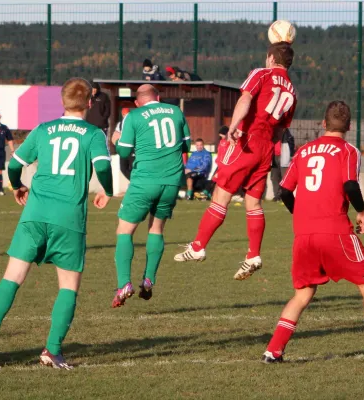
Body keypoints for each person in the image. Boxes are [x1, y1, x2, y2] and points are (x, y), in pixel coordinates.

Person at [0, 78, 114, 369]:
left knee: (12, 277)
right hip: (68, 218)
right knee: (68, 286)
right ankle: (52, 350)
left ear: (62, 102)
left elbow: (14, 165)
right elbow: (101, 166)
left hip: (35, 213)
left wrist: (17, 187)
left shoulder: (44, 129)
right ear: (89, 103)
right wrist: (107, 191)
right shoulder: (93, 133)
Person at [261, 101, 364, 368]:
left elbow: (284, 191)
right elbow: (350, 184)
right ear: (350, 126)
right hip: (335, 232)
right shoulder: (348, 150)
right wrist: (362, 212)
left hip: (304, 235)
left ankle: (273, 351)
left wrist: (300, 215)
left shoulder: (304, 151)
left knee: (303, 294)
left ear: (323, 124)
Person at [174, 42, 297, 281]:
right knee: (253, 203)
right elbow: (282, 129)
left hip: (246, 140)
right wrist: (269, 150)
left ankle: (198, 246)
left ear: (271, 59)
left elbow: (246, 99)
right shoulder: (291, 89)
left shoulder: (261, 73)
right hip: (265, 148)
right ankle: (253, 255)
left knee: (221, 195)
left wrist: (233, 127)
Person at [110, 84, 191, 307]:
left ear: (137, 102)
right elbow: (187, 146)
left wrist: (117, 139)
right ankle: (148, 279)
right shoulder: (175, 112)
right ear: (158, 97)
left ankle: (124, 283)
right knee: (156, 229)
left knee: (124, 230)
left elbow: (124, 152)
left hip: (145, 181)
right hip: (172, 182)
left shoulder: (134, 116)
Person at [270, 127, 295, 201]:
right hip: (273, 156)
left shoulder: (286, 132)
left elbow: (291, 143)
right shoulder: (271, 131)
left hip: (284, 155)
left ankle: (286, 195)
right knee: (274, 177)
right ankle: (277, 195)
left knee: (284, 177)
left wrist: (291, 155)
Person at [114, 107, 134, 181]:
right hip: (123, 148)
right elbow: (116, 135)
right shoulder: (120, 124)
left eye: (127, 114)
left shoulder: (133, 122)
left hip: (132, 149)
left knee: (133, 167)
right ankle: (133, 181)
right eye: (124, 114)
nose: (125, 116)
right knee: (123, 168)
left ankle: (135, 183)